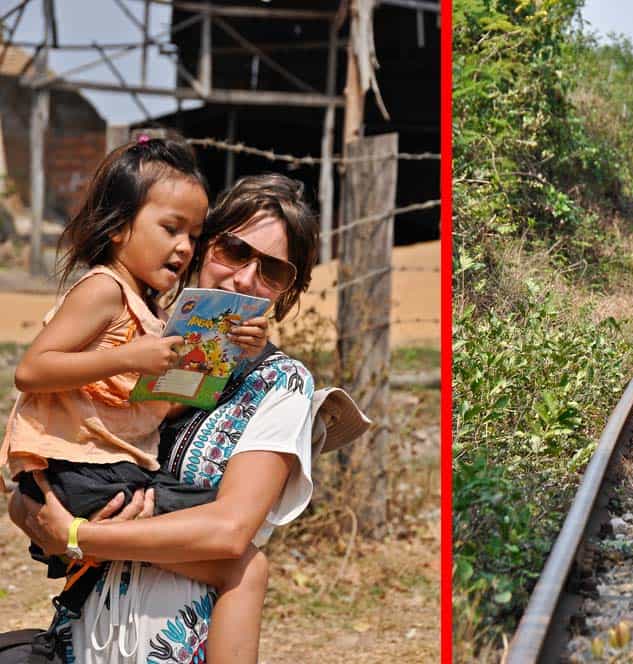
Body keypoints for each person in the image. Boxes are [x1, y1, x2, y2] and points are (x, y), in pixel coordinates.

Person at [8, 171, 370, 664]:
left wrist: (78, 537)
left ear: (288, 291)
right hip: (83, 638)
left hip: (179, 646)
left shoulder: (280, 384)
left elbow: (228, 531)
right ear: (202, 249)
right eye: (234, 251)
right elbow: (50, 463)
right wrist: (35, 511)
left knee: (248, 567)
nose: (245, 278)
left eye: (272, 271)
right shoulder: (140, 336)